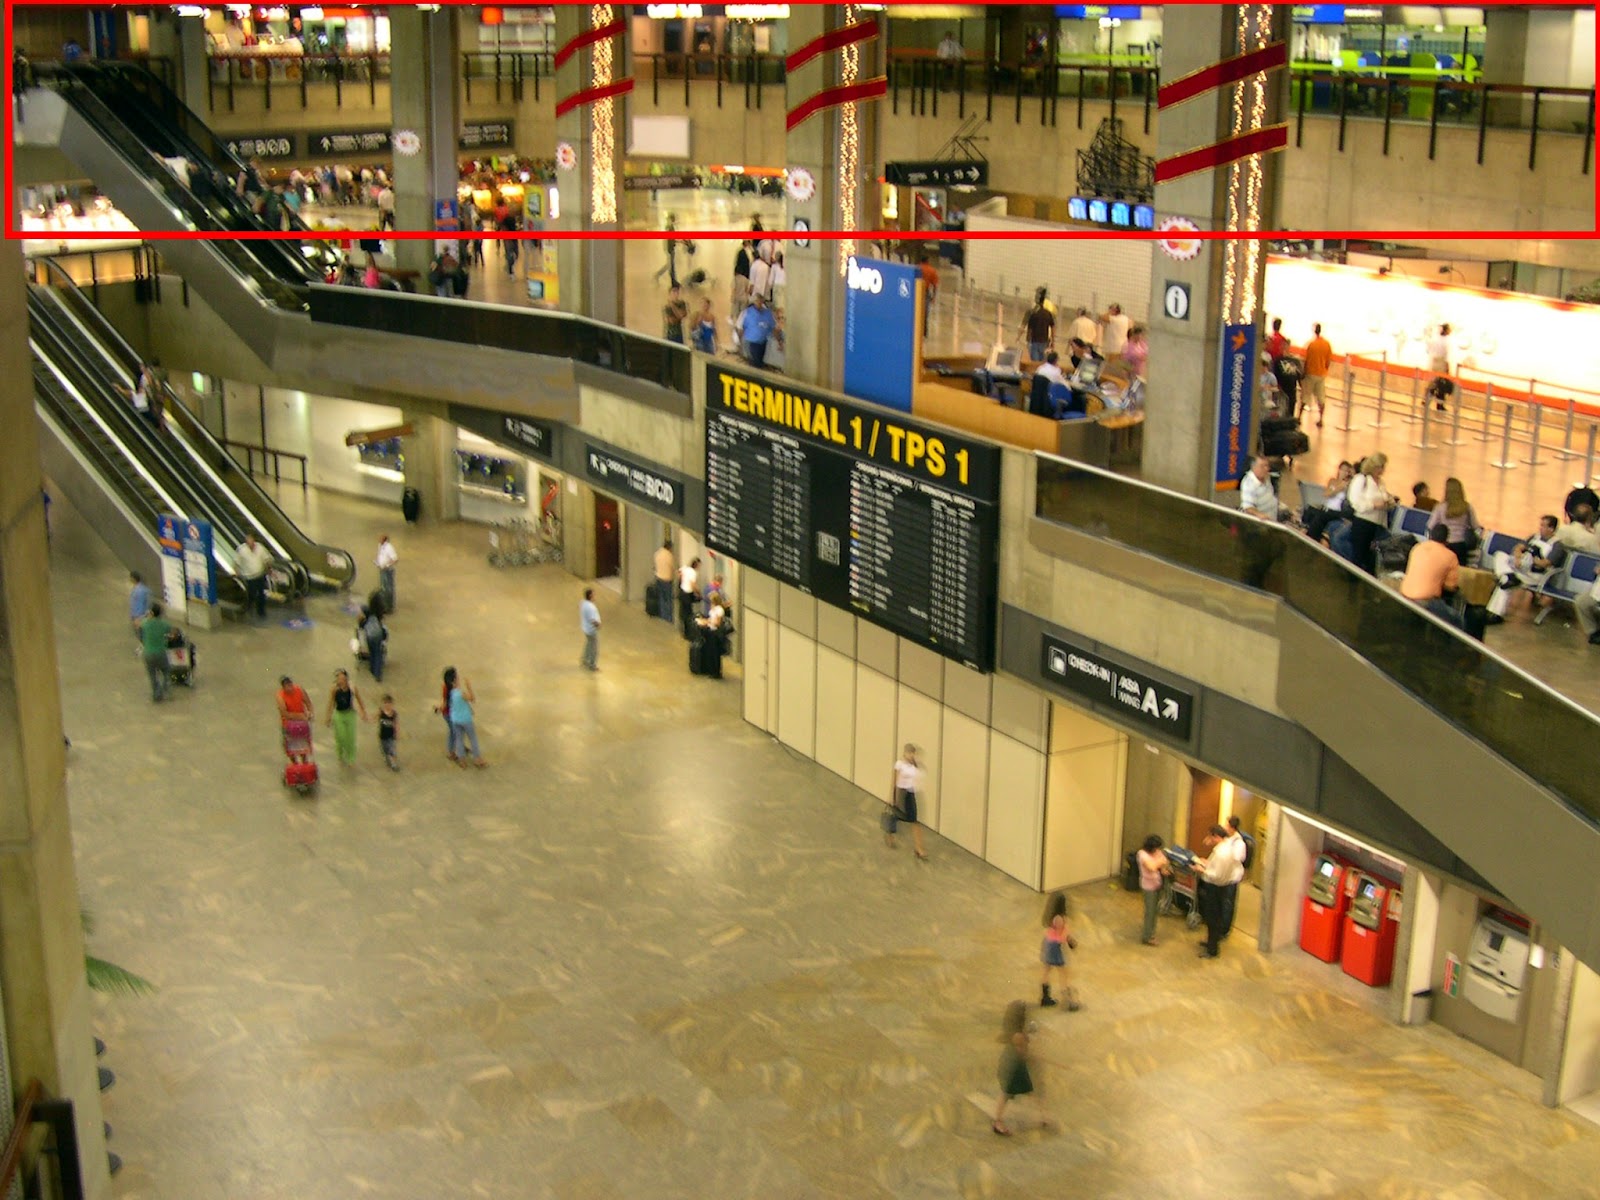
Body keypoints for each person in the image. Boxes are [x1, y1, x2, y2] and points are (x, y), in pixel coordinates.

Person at [1488, 515, 1565, 622]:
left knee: (1506, 581)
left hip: (1536, 575)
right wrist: (1518, 556)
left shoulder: (1557, 546)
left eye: (1543, 526)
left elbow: (1545, 563)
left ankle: (1495, 613)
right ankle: (1507, 576)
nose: (1540, 528)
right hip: (1521, 568)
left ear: (1551, 529)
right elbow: (1518, 547)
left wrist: (1532, 559)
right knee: (1500, 555)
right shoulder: (1534, 537)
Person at [992, 1000, 1051, 1137]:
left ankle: (1043, 1115)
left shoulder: (1013, 1031)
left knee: (1019, 1092)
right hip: (1014, 1068)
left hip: (1013, 1066)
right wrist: (1032, 1056)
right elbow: (1022, 1052)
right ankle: (998, 1122)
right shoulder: (1018, 1036)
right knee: (1011, 1093)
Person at [1193, 823, 1244, 958]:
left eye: (1210, 837)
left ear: (1216, 836)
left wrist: (1202, 869)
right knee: (1214, 918)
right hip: (1220, 886)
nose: (1208, 839)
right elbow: (1217, 868)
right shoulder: (1226, 848)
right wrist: (1207, 863)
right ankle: (1211, 942)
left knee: (1212, 918)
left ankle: (1212, 949)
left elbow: (1215, 875)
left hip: (1214, 888)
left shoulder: (1222, 853)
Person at [1400, 525, 1463, 628]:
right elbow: (1450, 587)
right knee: (1458, 620)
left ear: (1430, 535)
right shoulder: (1451, 556)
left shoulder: (1417, 547)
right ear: (1447, 539)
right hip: (1426, 601)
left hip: (1405, 594)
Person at [1347, 453, 1396, 574]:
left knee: (1371, 559)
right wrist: (1374, 505)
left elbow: (1385, 499)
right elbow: (1355, 502)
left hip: (1377, 525)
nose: (1382, 470)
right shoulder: (1361, 479)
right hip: (1363, 523)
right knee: (1358, 556)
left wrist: (1389, 503)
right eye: (1380, 467)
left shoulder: (1381, 483)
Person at [437, 667, 487, 767]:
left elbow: (447, 704)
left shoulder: (449, 693)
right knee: (472, 738)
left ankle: (462, 760)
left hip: (455, 720)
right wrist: (469, 687)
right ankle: (477, 759)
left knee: (459, 739)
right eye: (457, 677)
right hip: (466, 720)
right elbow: (472, 698)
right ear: (454, 681)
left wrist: (439, 709)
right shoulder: (460, 694)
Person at [887, 744, 928, 860]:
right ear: (905, 753)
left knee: (914, 820)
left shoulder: (915, 767)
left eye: (913, 753)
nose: (911, 755)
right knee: (896, 816)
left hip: (910, 794)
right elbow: (894, 780)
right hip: (901, 793)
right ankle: (889, 834)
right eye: (909, 753)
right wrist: (892, 796)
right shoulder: (900, 764)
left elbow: (919, 778)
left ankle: (919, 848)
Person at [1038, 892, 1077, 1009]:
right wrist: (1070, 941)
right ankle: (1068, 1001)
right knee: (1063, 972)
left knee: (1047, 970)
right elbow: (1061, 935)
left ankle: (1045, 997)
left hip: (1048, 943)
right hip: (1055, 947)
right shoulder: (1059, 918)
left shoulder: (1051, 916)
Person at [1427, 477, 1480, 564]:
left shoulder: (1440, 507)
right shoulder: (1467, 507)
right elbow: (1475, 526)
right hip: (1461, 546)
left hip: (1444, 546)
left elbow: (1430, 525)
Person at [325, 669, 368, 766]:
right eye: (338, 678)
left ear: (346, 678)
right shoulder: (334, 689)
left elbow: (359, 699)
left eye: (342, 678)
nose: (340, 680)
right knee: (341, 736)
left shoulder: (352, 688)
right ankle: (340, 751)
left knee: (351, 737)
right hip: (339, 714)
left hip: (350, 714)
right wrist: (328, 717)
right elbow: (331, 703)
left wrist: (363, 712)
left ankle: (351, 757)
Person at [1137, 835, 1171, 946]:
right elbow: (1151, 867)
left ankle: (1151, 933)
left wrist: (1161, 865)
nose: (1157, 850)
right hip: (1148, 887)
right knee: (1150, 912)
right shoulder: (1142, 854)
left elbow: (1164, 861)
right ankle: (1147, 937)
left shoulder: (1157, 852)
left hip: (1157, 885)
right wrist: (1160, 863)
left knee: (1154, 912)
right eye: (1155, 848)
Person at [139, 602, 173, 703]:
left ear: (151, 613)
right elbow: (170, 633)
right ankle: (165, 689)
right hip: (160, 653)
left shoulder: (145, 623)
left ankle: (156, 695)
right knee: (166, 671)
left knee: (152, 675)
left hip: (148, 653)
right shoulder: (164, 624)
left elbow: (139, 627)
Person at [1302, 323, 1332, 427]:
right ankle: (1321, 419)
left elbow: (1306, 360)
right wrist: (1324, 370)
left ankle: (1299, 417)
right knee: (1321, 398)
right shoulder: (1327, 344)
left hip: (1311, 373)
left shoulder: (1311, 344)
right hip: (1321, 374)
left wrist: (1304, 373)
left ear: (1315, 330)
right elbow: (1328, 361)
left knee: (1305, 396)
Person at [236, 533, 271, 621]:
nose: (250, 544)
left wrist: (268, 569)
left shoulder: (260, 548)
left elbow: (266, 559)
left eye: (251, 542)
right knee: (251, 593)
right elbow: (236, 562)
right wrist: (237, 573)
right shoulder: (242, 550)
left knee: (261, 593)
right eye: (248, 542)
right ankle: (248, 607)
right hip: (249, 577)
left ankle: (261, 611)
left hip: (260, 574)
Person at [1239, 456, 1285, 521]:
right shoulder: (1249, 484)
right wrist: (1259, 514)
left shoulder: (1266, 477)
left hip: (1273, 518)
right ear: (1254, 467)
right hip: (1260, 523)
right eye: (1262, 466)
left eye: (1267, 466)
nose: (1266, 469)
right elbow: (1248, 507)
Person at [738, 295, 776, 369]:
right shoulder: (747, 312)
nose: (759, 303)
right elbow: (740, 327)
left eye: (760, 301)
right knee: (754, 362)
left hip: (762, 342)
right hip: (751, 342)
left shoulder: (767, 313)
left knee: (760, 362)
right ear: (754, 302)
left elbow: (772, 326)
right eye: (757, 301)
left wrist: (779, 340)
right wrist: (739, 342)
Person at [1020, 289, 1055, 362]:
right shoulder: (1048, 313)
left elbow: (1029, 328)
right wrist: (1052, 340)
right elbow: (1053, 326)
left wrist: (1027, 340)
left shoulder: (1033, 313)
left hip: (1035, 341)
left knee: (1035, 362)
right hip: (1045, 341)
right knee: (1043, 361)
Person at [1428, 323, 1453, 411]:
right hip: (1441, 363)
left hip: (1434, 361)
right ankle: (1440, 405)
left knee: (1434, 383)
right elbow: (1446, 355)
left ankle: (1427, 400)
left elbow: (1429, 349)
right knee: (1441, 384)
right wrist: (1447, 368)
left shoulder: (1435, 338)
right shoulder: (1446, 341)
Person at [677, 556, 701, 640]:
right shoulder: (693, 572)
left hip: (682, 592)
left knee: (683, 612)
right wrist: (698, 593)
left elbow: (679, 572)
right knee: (688, 614)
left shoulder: (685, 568)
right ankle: (688, 633)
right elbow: (693, 585)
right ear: (697, 565)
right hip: (687, 594)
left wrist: (681, 581)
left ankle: (683, 630)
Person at [362, 605, 388, 682]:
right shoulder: (376, 618)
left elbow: (362, 628)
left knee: (372, 653)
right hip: (377, 636)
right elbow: (383, 630)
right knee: (378, 654)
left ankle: (372, 669)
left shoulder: (365, 621)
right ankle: (378, 674)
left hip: (369, 637)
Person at [653, 540, 676, 624]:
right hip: (667, 580)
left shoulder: (657, 553)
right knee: (668, 599)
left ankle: (662, 615)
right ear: (669, 547)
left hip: (659, 578)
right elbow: (672, 567)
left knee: (662, 598)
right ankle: (669, 617)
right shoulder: (669, 556)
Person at [579, 587, 602, 671]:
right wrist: (598, 625)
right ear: (591, 596)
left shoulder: (583, 603)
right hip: (591, 630)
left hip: (585, 629)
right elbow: (593, 620)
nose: (595, 596)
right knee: (594, 648)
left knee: (588, 644)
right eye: (594, 594)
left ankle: (585, 659)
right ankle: (592, 664)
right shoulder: (591, 607)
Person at [375, 534, 398, 613]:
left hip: (388, 570)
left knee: (389, 589)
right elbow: (380, 556)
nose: (379, 540)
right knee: (383, 587)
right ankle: (384, 605)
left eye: (381, 539)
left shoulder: (389, 548)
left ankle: (389, 607)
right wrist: (378, 562)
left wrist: (386, 565)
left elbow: (395, 559)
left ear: (384, 540)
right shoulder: (380, 546)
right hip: (382, 569)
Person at [377, 694, 399, 771]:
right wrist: (367, 718)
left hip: (391, 736)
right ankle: (387, 758)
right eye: (385, 703)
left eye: (389, 703)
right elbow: (375, 717)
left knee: (392, 750)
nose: (387, 705)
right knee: (384, 749)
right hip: (382, 736)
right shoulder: (381, 712)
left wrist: (396, 733)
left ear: (392, 704)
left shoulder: (394, 714)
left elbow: (396, 724)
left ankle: (394, 764)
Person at [919, 255, 939, 337]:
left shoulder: (917, 268)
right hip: (926, 292)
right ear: (928, 261)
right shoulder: (932, 271)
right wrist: (934, 296)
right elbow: (935, 285)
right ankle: (924, 332)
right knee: (925, 313)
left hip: (917, 291)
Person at [128, 571, 151, 641]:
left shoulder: (139, 591)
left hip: (139, 616)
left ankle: (144, 647)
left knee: (141, 634)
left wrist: (138, 618)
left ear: (133, 579)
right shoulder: (140, 589)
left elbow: (141, 605)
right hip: (139, 615)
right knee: (140, 633)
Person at [732, 240, 752, 313]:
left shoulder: (746, 252)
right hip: (743, 275)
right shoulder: (742, 252)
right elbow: (739, 263)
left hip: (744, 276)